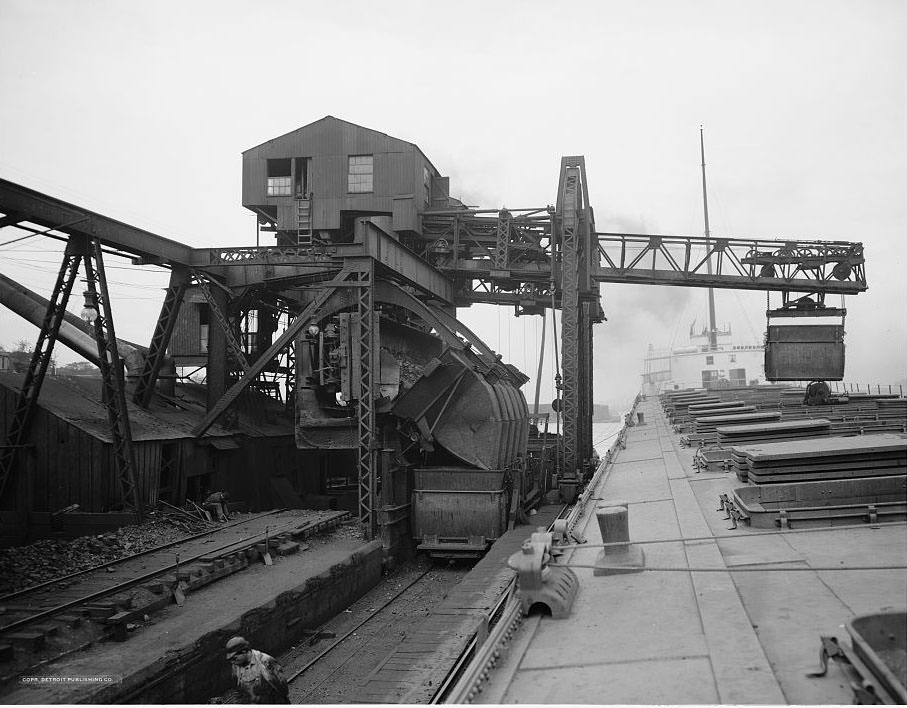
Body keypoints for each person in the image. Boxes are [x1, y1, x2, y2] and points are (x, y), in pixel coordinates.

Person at [225, 636, 290, 704]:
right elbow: (237, 690)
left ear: (244, 651)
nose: (232, 662)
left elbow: (282, 685)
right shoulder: (236, 666)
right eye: (230, 659)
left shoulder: (265, 662)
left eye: (234, 658)